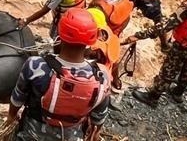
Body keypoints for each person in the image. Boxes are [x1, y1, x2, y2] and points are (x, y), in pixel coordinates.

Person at [7, 8, 112, 141]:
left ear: (59, 34)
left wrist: (11, 117)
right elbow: (98, 118)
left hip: (31, 134)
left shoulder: (35, 65)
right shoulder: (102, 76)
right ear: (92, 39)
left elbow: (18, 98)